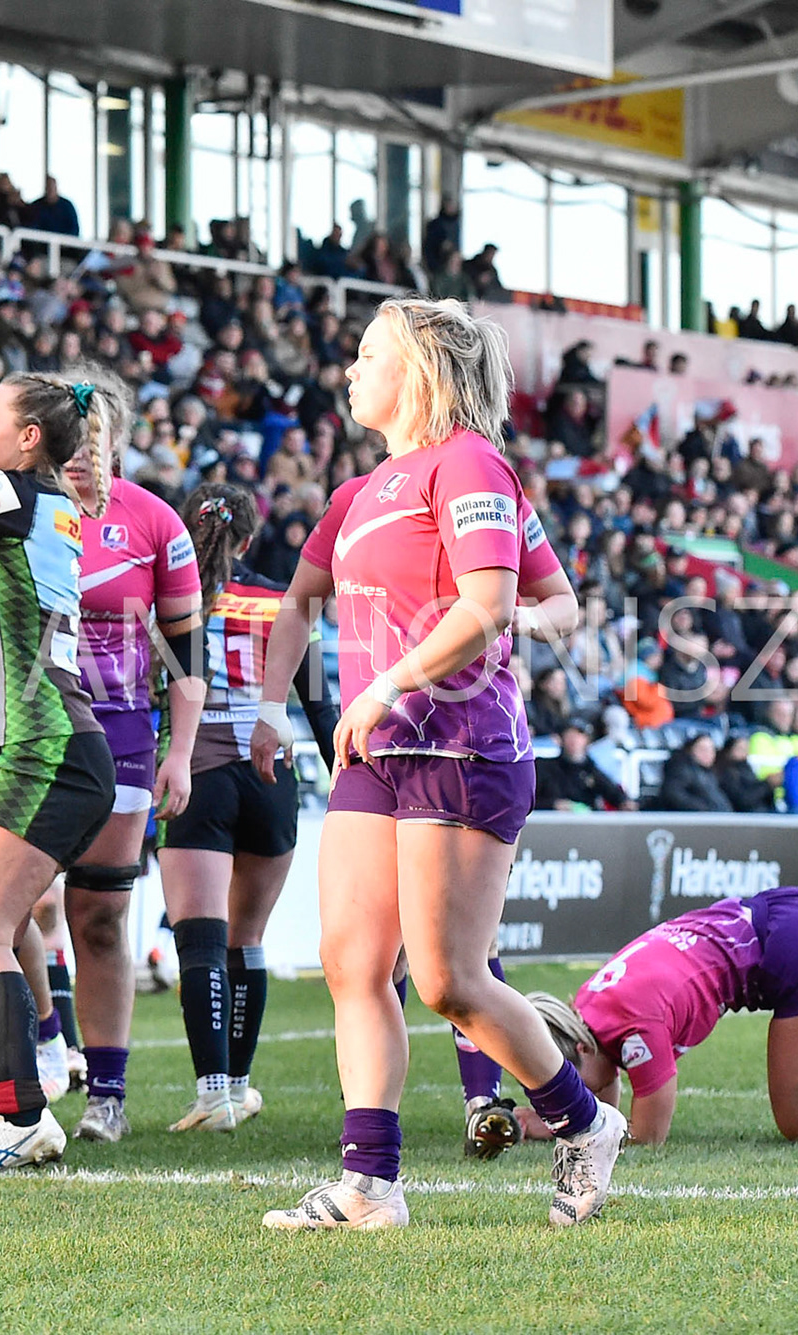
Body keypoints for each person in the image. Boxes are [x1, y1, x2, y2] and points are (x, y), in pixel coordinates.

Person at [247, 298, 627, 1232]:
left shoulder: (470, 462)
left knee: (449, 979)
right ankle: (369, 1183)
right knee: (351, 961)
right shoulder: (356, 492)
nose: (349, 371)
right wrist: (267, 705)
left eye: (367, 353)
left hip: (461, 743)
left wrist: (387, 686)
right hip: (376, 753)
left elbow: (506, 600)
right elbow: (297, 602)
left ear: (416, 369)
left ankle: (583, 1120)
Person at [0, 369, 123, 1175]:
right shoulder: (36, 503)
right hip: (33, 745)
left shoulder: (14, 497)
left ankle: (18, 1115)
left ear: (29, 438)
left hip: (47, 745)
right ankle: (14, 1103)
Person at [53, 373, 206, 1145]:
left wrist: (179, 752)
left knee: (102, 917)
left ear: (117, 440)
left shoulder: (155, 522)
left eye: (94, 442)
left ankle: (105, 1094)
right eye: (68, 441)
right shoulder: (14, 507)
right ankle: (0, 1081)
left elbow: (187, 656)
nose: (80, 458)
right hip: (21, 734)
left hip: (118, 741)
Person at [157, 483, 335, 1133]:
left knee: (198, 939)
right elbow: (318, 700)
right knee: (247, 940)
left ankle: (214, 1096)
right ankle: (238, 1082)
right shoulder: (278, 601)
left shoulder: (175, 595)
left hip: (198, 773)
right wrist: (343, 776)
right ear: (253, 538)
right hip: (270, 778)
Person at [529, 889, 798, 1146]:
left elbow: (647, 1136)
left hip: (796, 947)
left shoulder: (632, 1029)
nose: (572, 1094)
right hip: (797, 913)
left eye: (570, 1082)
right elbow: (602, 1094)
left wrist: (566, 1130)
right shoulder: (588, 1002)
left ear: (583, 1047)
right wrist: (543, 1123)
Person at [533, 719, 632, 812]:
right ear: (561, 739)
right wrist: (553, 805)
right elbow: (528, 801)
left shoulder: (591, 771)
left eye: (579, 736)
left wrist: (626, 803)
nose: (574, 741)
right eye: (570, 735)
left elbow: (614, 794)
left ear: (587, 741)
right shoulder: (544, 768)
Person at [654, 734, 731, 812]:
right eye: (703, 749)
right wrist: (704, 809)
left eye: (712, 750)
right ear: (691, 750)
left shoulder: (710, 773)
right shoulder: (681, 769)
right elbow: (674, 795)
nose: (708, 754)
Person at [715, 736, 776, 813]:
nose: (744, 752)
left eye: (746, 749)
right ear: (730, 750)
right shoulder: (727, 773)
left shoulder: (747, 769)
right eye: (740, 748)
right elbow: (742, 800)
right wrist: (767, 784)